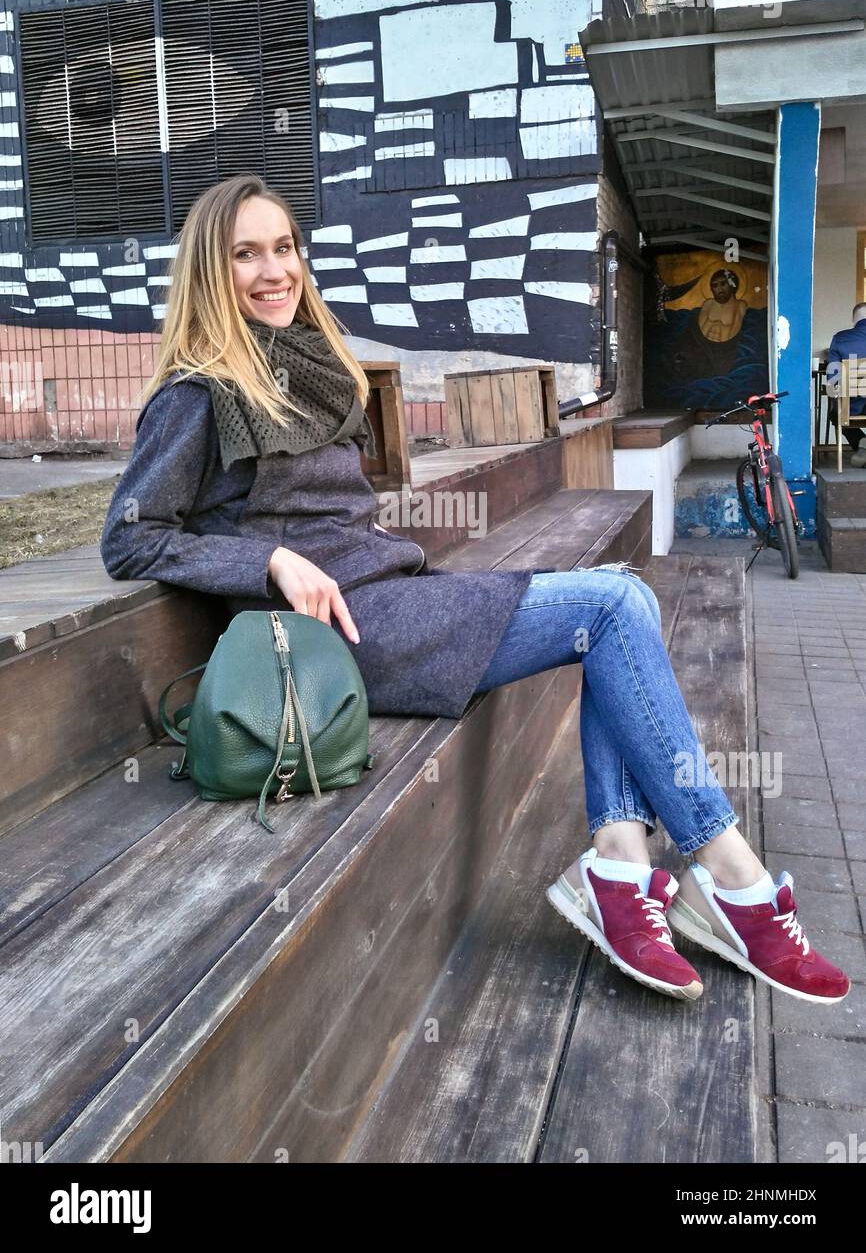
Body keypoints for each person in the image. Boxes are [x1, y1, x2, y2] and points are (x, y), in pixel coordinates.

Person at [101, 173, 849, 1007]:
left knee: (611, 609)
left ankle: (623, 867)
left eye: (285, 247)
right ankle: (729, 877)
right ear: (212, 269)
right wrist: (268, 562)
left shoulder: (311, 363)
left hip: (393, 596)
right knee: (614, 604)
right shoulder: (196, 396)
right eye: (247, 254)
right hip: (340, 637)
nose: (275, 270)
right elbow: (130, 537)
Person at [826, 302, 866, 466]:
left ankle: (862, 442)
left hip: (853, 406)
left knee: (836, 413)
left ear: (853, 319)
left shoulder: (840, 338)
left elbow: (833, 379)